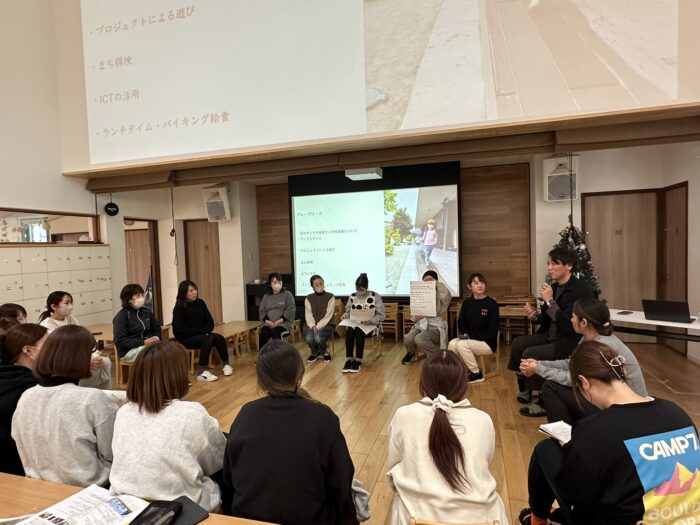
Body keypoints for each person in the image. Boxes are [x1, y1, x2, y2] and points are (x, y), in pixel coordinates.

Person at [521, 340, 699, 525]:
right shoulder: (677, 413)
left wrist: (575, 450)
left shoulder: (596, 429)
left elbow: (577, 498)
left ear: (584, 383)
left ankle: (537, 520)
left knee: (545, 449)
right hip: (686, 518)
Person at [223, 340, 357, 525]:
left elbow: (229, 478)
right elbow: (341, 482)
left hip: (248, 518)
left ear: (261, 380)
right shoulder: (322, 416)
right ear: (299, 373)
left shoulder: (245, 414)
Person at [387, 351, 509, 524]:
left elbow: (393, 468)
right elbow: (484, 463)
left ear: (423, 383)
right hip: (483, 519)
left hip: (415, 518)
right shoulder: (483, 420)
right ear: (463, 384)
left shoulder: (404, 415)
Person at [110, 341, 227, 512]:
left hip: (124, 504)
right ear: (178, 376)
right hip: (182, 509)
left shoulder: (123, 412)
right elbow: (218, 461)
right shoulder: (192, 414)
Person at [11, 325, 118, 487]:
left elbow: (19, 440)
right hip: (89, 488)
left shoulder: (27, 396)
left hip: (38, 486)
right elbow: (112, 452)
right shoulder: (91, 399)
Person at [519, 298, 647, 419]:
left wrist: (538, 369)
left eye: (573, 316)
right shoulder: (590, 337)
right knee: (554, 386)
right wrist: (539, 363)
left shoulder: (599, 346)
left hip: (627, 410)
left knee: (551, 387)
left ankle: (566, 433)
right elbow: (571, 363)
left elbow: (573, 379)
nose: (571, 320)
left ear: (584, 322)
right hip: (614, 402)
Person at [508, 248, 594, 405]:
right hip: (548, 335)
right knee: (518, 344)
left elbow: (568, 324)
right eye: (548, 264)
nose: (549, 268)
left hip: (566, 340)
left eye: (554, 264)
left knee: (530, 353)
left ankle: (543, 399)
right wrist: (534, 315)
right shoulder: (553, 288)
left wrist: (549, 301)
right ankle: (525, 387)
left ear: (569, 265)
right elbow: (545, 318)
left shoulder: (580, 290)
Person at [39, 290, 112, 389]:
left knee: (104, 362)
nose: (70, 306)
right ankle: (83, 391)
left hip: (79, 355)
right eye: (66, 303)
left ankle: (105, 393)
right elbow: (58, 352)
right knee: (89, 367)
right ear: (54, 306)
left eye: (71, 302)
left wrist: (94, 355)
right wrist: (84, 361)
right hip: (63, 360)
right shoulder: (47, 325)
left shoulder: (72, 319)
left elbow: (83, 341)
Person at [0, 324, 47, 475]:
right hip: (19, 467)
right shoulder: (31, 387)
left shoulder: (7, 374)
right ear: (28, 350)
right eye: (48, 344)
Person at [171, 280, 232, 382]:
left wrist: (205, 332)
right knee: (207, 339)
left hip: (202, 334)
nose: (194, 292)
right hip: (186, 338)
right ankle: (202, 371)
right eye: (190, 291)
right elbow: (181, 329)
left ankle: (226, 364)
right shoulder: (179, 308)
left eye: (195, 289)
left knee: (219, 338)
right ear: (184, 293)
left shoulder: (200, 303)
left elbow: (209, 321)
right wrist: (201, 333)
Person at [446, 272, 499, 383]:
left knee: (462, 344)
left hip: (487, 343)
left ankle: (477, 374)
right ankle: (459, 371)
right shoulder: (467, 303)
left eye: (482, 282)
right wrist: (465, 333)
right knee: (452, 343)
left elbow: (493, 329)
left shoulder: (491, 304)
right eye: (476, 283)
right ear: (469, 286)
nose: (480, 285)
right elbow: (461, 322)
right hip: (470, 339)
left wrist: (472, 337)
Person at [402, 270, 451, 365]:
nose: (427, 282)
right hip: (421, 324)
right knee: (408, 338)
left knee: (419, 339)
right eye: (425, 281)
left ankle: (437, 357)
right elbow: (414, 315)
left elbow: (447, 295)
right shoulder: (420, 294)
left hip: (435, 327)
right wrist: (416, 317)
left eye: (430, 280)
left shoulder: (441, 295)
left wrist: (435, 282)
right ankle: (411, 353)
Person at [342, 273, 385, 373]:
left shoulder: (375, 296)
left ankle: (358, 360)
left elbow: (381, 315)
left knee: (358, 330)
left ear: (366, 287)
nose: (359, 292)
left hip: (370, 326)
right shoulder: (352, 296)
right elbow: (348, 312)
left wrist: (371, 321)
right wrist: (345, 315)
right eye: (357, 289)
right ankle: (349, 359)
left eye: (361, 289)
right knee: (350, 330)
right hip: (355, 323)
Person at [113, 283, 162, 360]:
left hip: (148, 346)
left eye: (142, 295)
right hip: (129, 350)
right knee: (156, 356)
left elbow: (156, 328)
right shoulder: (121, 316)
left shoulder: (147, 312)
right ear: (129, 300)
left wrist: (156, 338)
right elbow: (119, 340)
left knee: (168, 351)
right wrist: (143, 342)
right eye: (138, 296)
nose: (142, 298)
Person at [258, 272, 295, 348]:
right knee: (263, 334)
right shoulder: (266, 296)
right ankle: (262, 354)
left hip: (283, 324)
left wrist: (278, 322)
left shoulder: (287, 294)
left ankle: (279, 354)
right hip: (268, 324)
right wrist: (269, 322)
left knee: (276, 332)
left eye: (279, 282)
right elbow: (262, 311)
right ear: (270, 284)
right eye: (275, 282)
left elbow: (291, 309)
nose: (277, 284)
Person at [304, 274, 335, 363]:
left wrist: (318, 326)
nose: (319, 285)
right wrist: (313, 326)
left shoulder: (330, 296)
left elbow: (329, 315)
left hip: (327, 325)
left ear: (324, 283)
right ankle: (315, 352)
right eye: (316, 284)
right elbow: (308, 314)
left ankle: (324, 352)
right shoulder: (308, 298)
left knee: (318, 337)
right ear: (312, 286)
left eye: (321, 283)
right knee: (309, 338)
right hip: (312, 325)